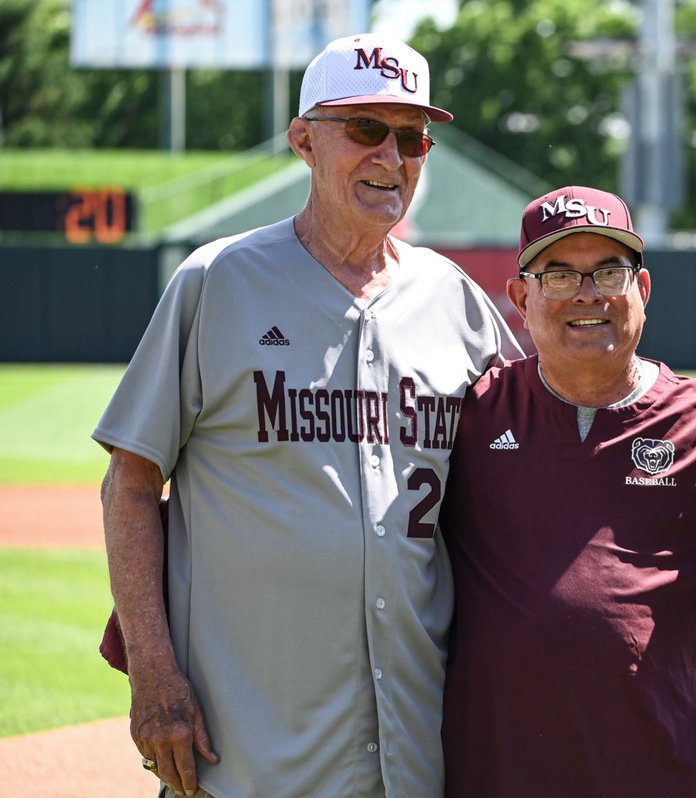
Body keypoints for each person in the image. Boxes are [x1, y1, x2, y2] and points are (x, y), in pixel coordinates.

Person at [92, 33, 523, 797]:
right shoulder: (216, 282)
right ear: (304, 142)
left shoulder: (455, 301)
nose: (392, 157)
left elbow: (538, 449)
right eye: (365, 130)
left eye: (412, 137)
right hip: (249, 751)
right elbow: (129, 483)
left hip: (414, 748)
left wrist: (687, 402)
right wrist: (152, 675)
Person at [437, 185, 696, 797]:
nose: (588, 294)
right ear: (520, 297)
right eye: (560, 275)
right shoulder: (471, 417)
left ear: (641, 290)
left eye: (608, 272)